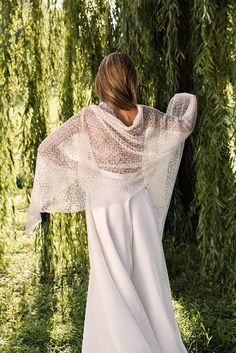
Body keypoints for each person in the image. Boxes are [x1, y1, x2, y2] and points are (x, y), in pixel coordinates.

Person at [25, 52, 197, 353]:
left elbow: (47, 149)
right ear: (131, 80)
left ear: (102, 82)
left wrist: (80, 166)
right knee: (145, 274)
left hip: (105, 207)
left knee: (111, 278)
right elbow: (181, 128)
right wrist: (186, 101)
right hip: (138, 205)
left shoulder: (90, 118)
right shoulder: (146, 115)